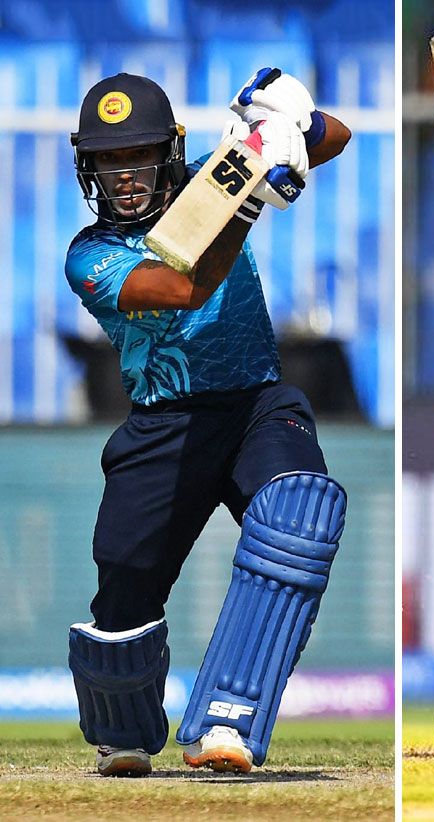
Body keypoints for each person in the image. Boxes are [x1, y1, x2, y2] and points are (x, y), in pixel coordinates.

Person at [64, 69, 351, 776]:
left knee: (298, 517)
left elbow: (337, 137)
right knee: (122, 603)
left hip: (257, 404)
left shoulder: (213, 176)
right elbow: (182, 285)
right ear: (88, 167)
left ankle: (230, 717)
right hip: (164, 426)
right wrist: (246, 194)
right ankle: (124, 728)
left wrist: (283, 125)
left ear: (170, 149)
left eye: (136, 155)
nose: (123, 175)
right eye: (107, 160)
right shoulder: (90, 255)